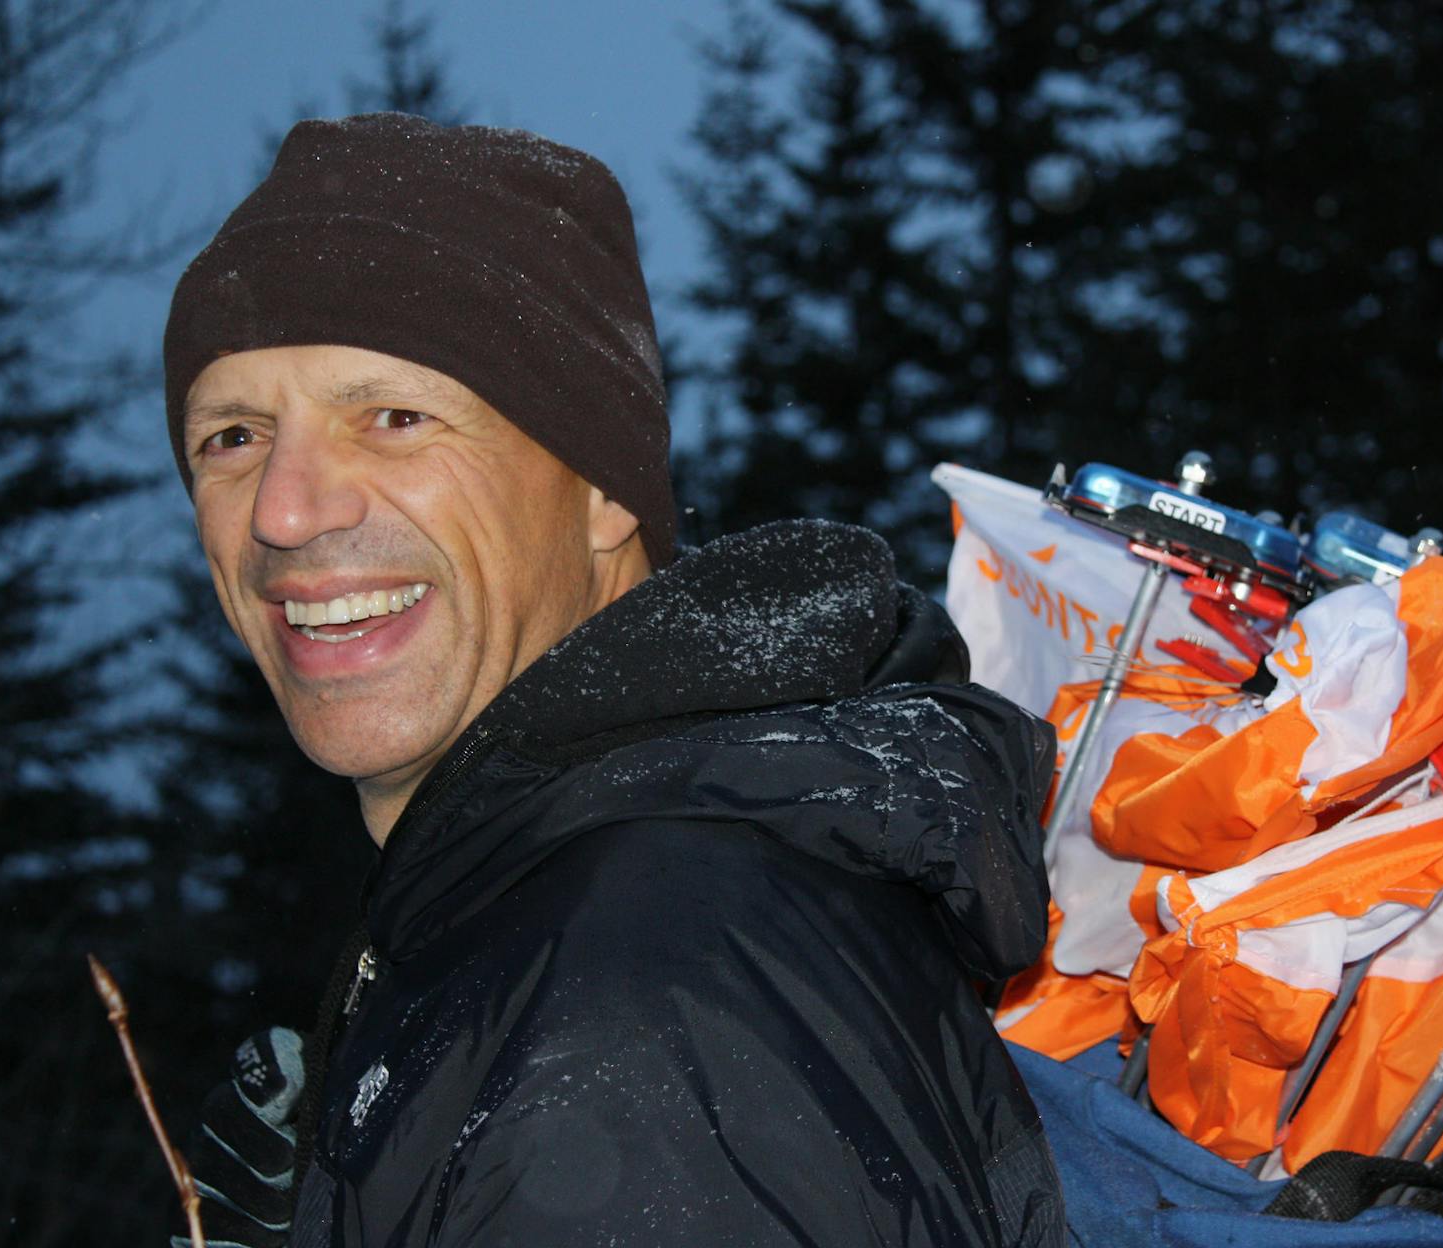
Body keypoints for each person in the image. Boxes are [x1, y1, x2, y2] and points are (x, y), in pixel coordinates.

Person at [163, 112, 1065, 1247]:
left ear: (606, 490)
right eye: (232, 437)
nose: (286, 511)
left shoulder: (643, 1001)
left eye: (395, 419)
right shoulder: (571, 899)